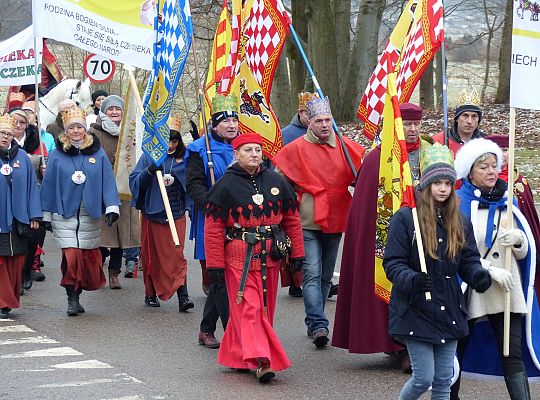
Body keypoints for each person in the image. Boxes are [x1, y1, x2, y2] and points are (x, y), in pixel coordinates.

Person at [383, 143, 492, 399]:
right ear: (425, 186)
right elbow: (393, 263)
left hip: (449, 308)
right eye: (436, 183)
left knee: (444, 379)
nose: (442, 188)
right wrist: (411, 279)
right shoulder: (405, 219)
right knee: (423, 378)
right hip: (415, 307)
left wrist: (477, 275)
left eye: (446, 183)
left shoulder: (459, 220)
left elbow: (468, 260)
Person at [332, 103, 430, 369]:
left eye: (415, 124)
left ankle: (417, 344)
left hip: (425, 232)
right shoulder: (377, 158)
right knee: (396, 288)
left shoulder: (429, 154)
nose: (411, 130)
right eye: (406, 124)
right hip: (388, 236)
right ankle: (400, 345)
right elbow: (365, 210)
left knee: (423, 289)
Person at [204, 133, 304, 383]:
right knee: (250, 309)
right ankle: (262, 360)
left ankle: (238, 355)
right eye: (248, 150)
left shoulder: (276, 181)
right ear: (236, 154)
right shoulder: (224, 186)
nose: (254, 154)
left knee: (264, 311)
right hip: (239, 258)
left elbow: (292, 220)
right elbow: (213, 228)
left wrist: (297, 254)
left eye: (258, 150)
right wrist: (214, 263)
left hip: (270, 256)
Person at [272, 96, 365, 348]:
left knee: (325, 275)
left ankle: (317, 317)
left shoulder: (346, 147)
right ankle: (318, 324)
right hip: (307, 219)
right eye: (319, 121)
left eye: (327, 120)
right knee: (311, 273)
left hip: (336, 218)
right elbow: (280, 184)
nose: (324, 125)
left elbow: (362, 175)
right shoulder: (296, 149)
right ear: (309, 123)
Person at [452, 138, 540, 399]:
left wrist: (519, 240)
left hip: (504, 289)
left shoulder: (508, 200)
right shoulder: (458, 203)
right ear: (470, 171)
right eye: (484, 167)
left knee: (511, 352)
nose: (491, 172)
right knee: (457, 348)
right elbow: (456, 250)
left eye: (494, 166)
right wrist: (487, 269)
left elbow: (525, 253)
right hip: (470, 285)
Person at [41, 108, 120, 316]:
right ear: (66, 131)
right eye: (72, 128)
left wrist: (112, 206)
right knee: (71, 257)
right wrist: (46, 215)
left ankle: (78, 292)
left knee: (85, 259)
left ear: (85, 129)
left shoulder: (98, 154)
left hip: (89, 214)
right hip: (64, 213)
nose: (76, 131)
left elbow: (107, 181)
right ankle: (71, 298)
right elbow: (49, 184)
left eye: (79, 127)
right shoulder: (57, 155)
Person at [185, 94, 238, 348]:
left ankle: (207, 329)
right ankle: (230, 332)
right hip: (212, 217)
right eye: (225, 120)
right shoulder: (199, 148)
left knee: (232, 275)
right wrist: (211, 204)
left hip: (239, 220)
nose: (231, 125)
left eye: (234, 120)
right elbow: (193, 184)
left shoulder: (244, 146)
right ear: (214, 124)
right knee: (218, 274)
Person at [129, 114, 191, 311]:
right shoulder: (149, 157)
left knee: (177, 255)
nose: (171, 145)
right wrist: (150, 171)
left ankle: (183, 295)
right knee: (152, 256)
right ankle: (150, 293)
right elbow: (135, 181)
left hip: (176, 214)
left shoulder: (185, 159)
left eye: (174, 141)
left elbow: (191, 183)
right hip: (153, 214)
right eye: (167, 141)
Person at [88, 95, 141, 289]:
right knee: (103, 233)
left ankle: (114, 273)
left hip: (124, 189)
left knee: (120, 235)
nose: (114, 112)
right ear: (104, 111)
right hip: (102, 188)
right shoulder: (94, 132)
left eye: (118, 109)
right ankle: (97, 269)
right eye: (110, 109)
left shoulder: (130, 132)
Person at [485, 134, 540, 295]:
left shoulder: (519, 182)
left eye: (505, 150)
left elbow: (529, 218)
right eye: (497, 150)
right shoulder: (482, 182)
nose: (502, 155)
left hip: (516, 244)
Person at [0, 114, 42, 319]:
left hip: (18, 220)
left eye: (8, 133)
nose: (5, 136)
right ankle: (2, 302)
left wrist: (34, 214)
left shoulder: (22, 157)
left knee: (14, 260)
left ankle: (8, 300)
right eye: (1, 132)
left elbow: (32, 187)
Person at [8, 107, 49, 288]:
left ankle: (28, 270)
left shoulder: (38, 143)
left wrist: (46, 171)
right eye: (14, 121)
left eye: (22, 122)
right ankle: (15, 276)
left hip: (33, 195)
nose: (18, 125)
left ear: (27, 125)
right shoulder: (3, 140)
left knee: (32, 237)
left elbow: (48, 170)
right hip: (9, 197)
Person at [432, 88, 487, 156]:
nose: (469, 121)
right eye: (465, 115)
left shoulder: (487, 142)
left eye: (474, 116)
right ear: (457, 118)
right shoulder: (438, 141)